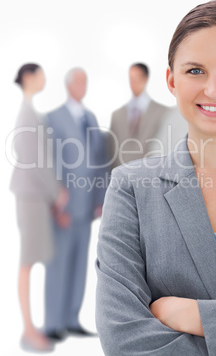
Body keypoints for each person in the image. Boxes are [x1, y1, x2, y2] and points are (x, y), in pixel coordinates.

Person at [95, 1, 216, 355]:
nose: (215, 89)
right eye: (195, 71)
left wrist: (195, 314)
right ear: (172, 80)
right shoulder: (131, 188)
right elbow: (122, 337)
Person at [44, 67, 107, 341]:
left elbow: (100, 160)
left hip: (86, 206)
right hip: (63, 207)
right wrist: (54, 201)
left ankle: (71, 319)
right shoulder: (53, 118)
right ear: (68, 85)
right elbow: (47, 162)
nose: (82, 86)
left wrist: (100, 199)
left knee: (81, 264)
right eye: (78, 82)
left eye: (85, 81)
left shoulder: (90, 117)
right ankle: (52, 323)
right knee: (58, 265)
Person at [10, 63, 68, 353]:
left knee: (30, 261)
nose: (45, 79)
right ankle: (29, 330)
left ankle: (31, 328)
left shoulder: (31, 111)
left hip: (35, 196)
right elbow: (34, 160)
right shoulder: (26, 113)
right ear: (29, 77)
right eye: (41, 74)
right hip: (31, 196)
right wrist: (55, 191)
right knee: (27, 262)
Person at [109, 63, 174, 169]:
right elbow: (111, 151)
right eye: (131, 79)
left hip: (151, 176)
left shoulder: (163, 113)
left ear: (145, 79)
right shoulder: (117, 115)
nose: (133, 83)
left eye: (137, 78)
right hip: (121, 178)